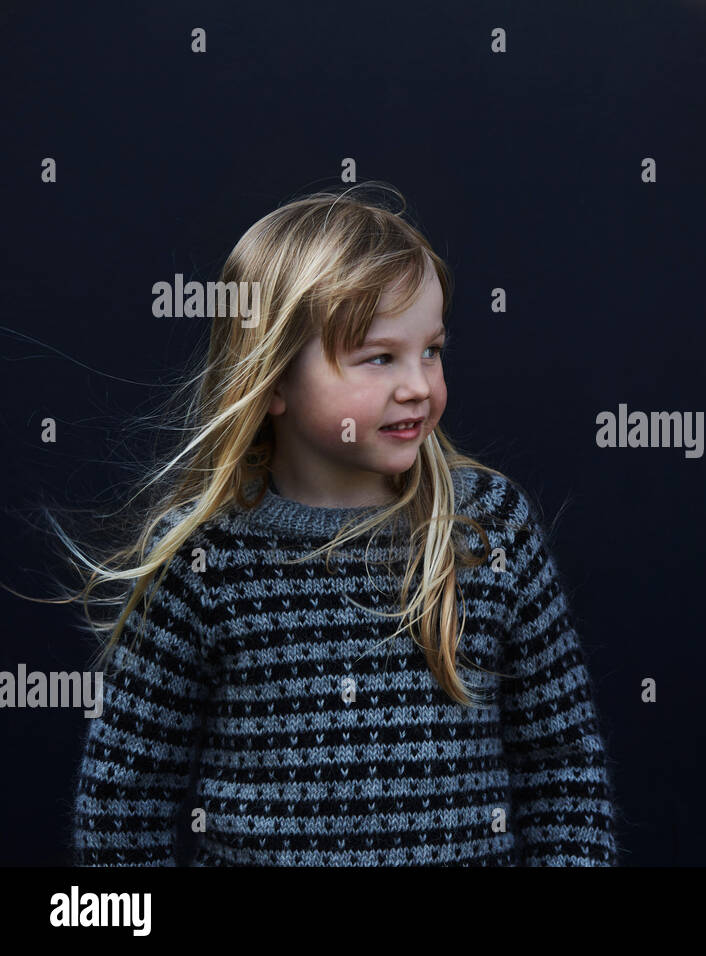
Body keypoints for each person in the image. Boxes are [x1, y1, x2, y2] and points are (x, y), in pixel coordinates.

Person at [46, 184, 621, 865]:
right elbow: (123, 803)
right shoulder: (204, 559)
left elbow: (564, 771)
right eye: (380, 357)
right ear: (272, 380)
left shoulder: (487, 529)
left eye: (431, 350)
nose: (418, 385)